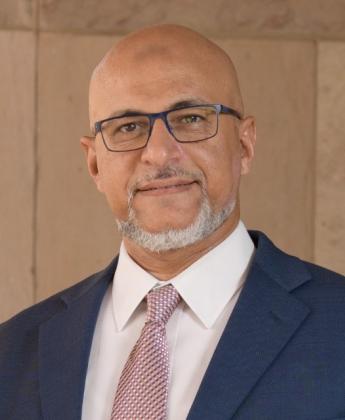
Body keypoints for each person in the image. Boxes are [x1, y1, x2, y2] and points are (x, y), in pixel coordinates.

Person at [1, 24, 345, 420]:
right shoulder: (12, 354)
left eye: (191, 119)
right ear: (94, 163)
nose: (160, 154)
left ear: (245, 144)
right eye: (128, 127)